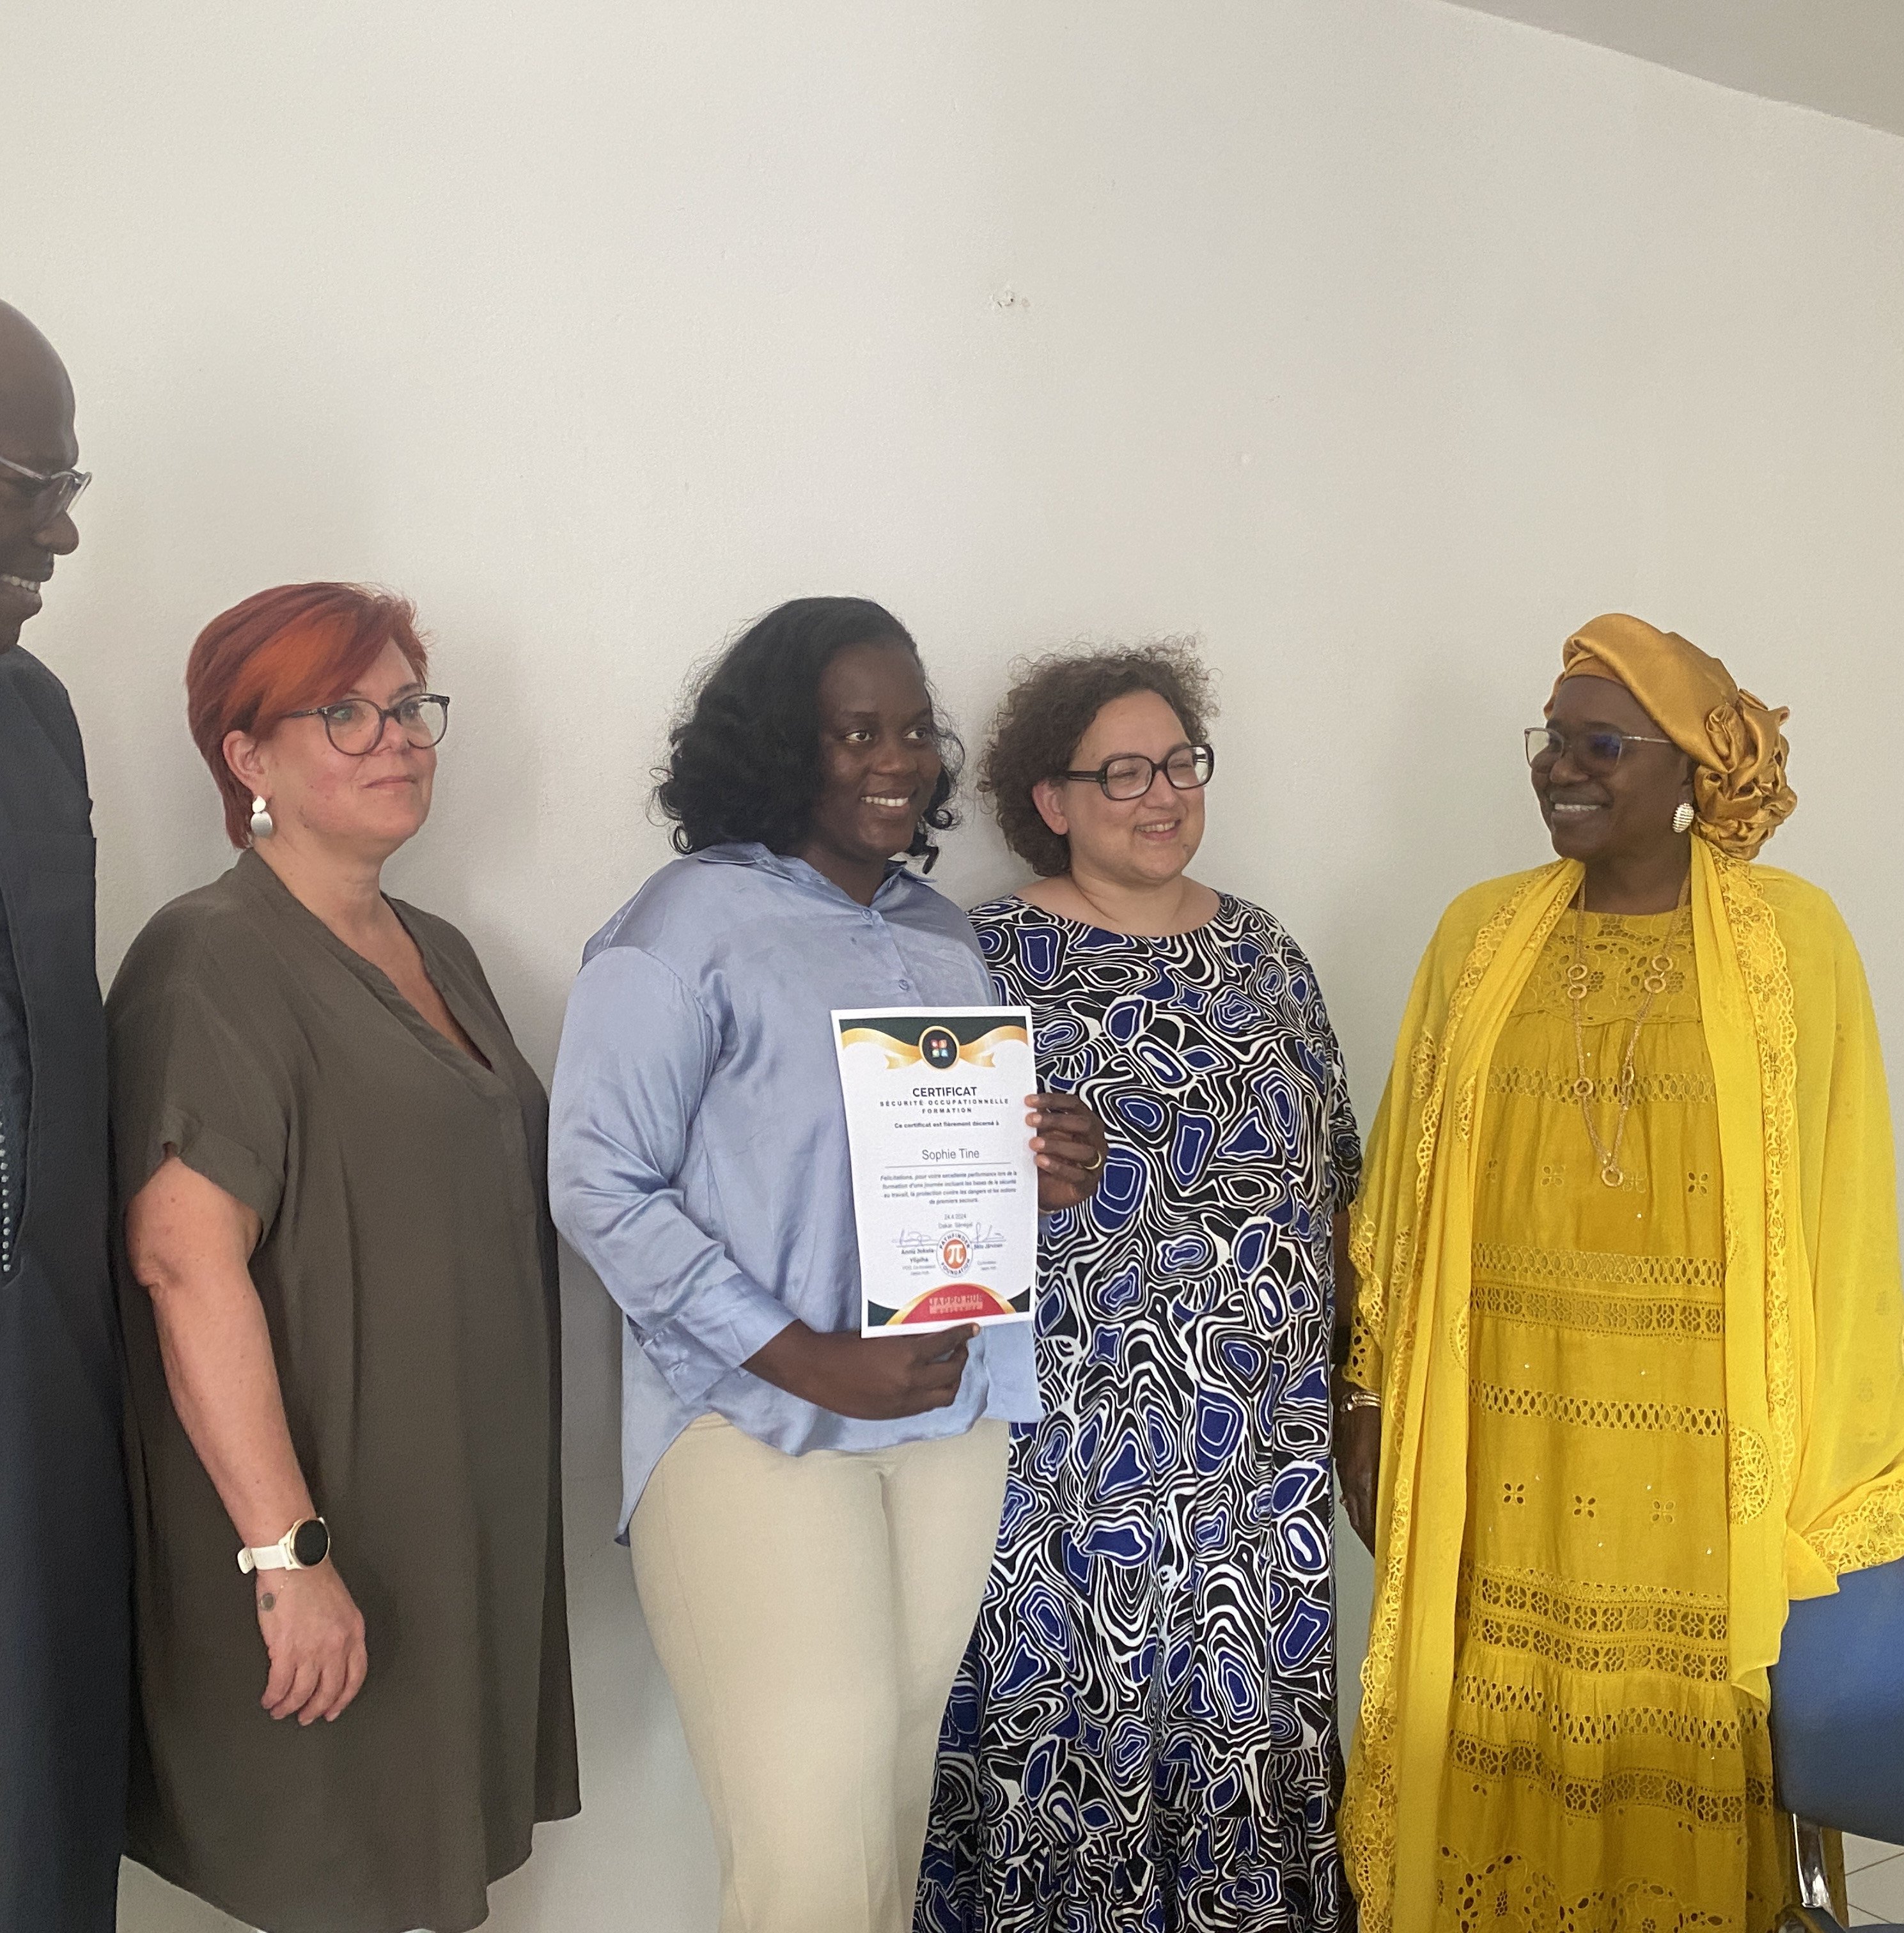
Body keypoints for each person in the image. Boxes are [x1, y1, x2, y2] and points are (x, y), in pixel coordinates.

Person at [1335, 614, 1904, 1933]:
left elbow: (1846, 1221)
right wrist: (1367, 1397)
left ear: (1688, 771)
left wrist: (1896, 1487)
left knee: (1678, 1738)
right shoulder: (1478, 935)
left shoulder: (1794, 941)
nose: (1560, 767)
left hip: (1702, 1459)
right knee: (1505, 1720)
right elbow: (1402, 1190)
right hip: (1507, 1436)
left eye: (1600, 745)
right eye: (1551, 740)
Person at [549, 596, 1107, 1933]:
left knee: (887, 1818)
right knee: (809, 1842)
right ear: (778, 746)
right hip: (753, 1426)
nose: (896, 759)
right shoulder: (682, 929)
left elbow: (921, 1170)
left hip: (949, 1415)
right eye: (857, 732)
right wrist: (800, 1353)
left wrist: (1040, 1167)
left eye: (914, 729)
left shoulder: (940, 934)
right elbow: (595, 1181)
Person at [109, 582, 579, 1933]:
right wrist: (289, 1554)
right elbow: (183, 1267)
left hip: (448, 1525)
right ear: (246, 758)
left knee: (419, 1883)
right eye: (345, 713)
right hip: (321, 1533)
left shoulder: (441, 952)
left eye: (409, 705)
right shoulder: (210, 958)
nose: (397, 738)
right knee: (338, 1881)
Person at [921, 643, 1361, 1932]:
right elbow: (919, 1206)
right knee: (1069, 1752)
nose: (1161, 794)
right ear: (1049, 800)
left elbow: (1339, 1183)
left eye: (1180, 763)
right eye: (1122, 773)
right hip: (1066, 1465)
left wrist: (1354, 1391)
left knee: (1251, 1754)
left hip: (1258, 1470)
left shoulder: (1265, 952)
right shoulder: (981, 959)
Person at [0, 300, 129, 1933]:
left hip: (44, 1369)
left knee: (38, 1816)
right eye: (33, 485)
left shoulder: (32, 715)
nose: (62, 530)